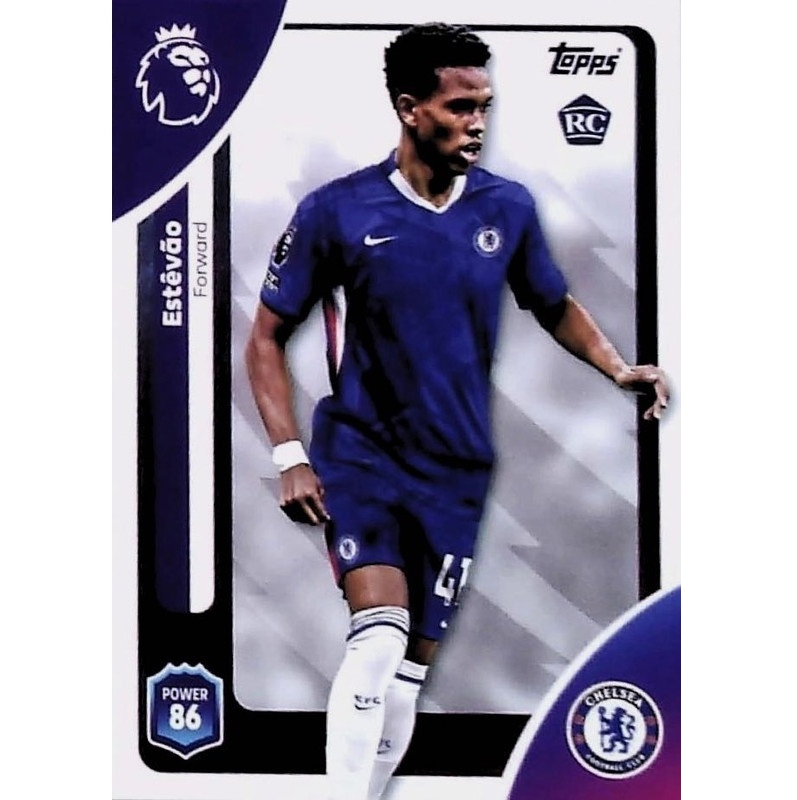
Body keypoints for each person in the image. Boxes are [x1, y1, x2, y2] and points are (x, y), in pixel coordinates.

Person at [245, 21, 669, 800]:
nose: (477, 123)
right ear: (410, 109)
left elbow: (552, 303)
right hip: (362, 456)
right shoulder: (338, 211)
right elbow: (267, 336)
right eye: (460, 107)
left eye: (485, 107)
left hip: (459, 470)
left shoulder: (507, 208)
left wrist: (617, 368)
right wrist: (290, 454)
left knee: (409, 675)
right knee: (378, 640)